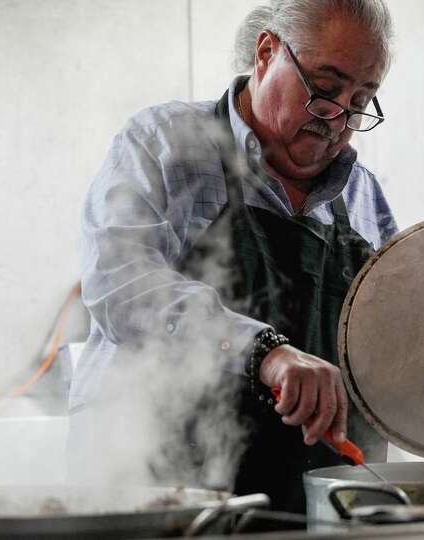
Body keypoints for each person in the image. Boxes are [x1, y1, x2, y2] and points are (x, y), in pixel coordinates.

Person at [76, 0, 398, 513]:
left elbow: (391, 349)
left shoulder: (363, 200)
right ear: (267, 52)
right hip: (157, 493)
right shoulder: (163, 145)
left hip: (309, 505)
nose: (339, 118)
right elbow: (122, 284)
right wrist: (264, 351)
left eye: (361, 101)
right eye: (325, 88)